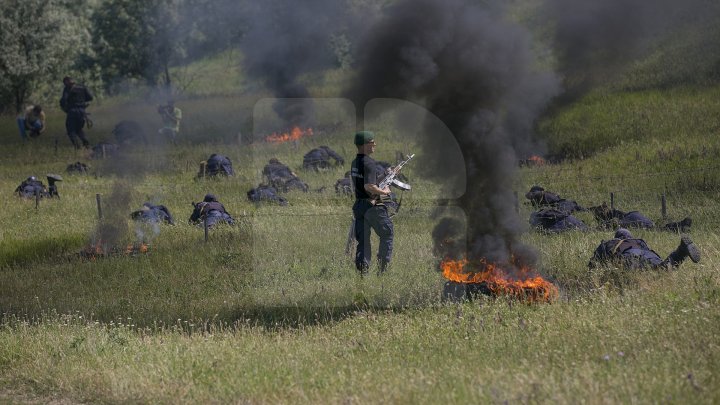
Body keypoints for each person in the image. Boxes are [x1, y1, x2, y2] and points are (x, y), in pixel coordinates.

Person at [350, 131, 394, 275]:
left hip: (360, 207)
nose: (374, 144)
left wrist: (386, 175)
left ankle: (363, 273)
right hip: (372, 207)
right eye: (372, 142)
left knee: (363, 241)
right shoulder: (369, 163)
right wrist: (385, 192)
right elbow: (369, 186)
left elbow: (368, 182)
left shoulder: (355, 162)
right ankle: (382, 271)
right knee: (387, 234)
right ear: (364, 145)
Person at [589, 228, 700, 270]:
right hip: (648, 254)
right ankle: (681, 251)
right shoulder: (639, 241)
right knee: (663, 267)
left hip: (628, 256)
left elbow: (593, 263)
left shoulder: (610, 243)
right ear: (630, 237)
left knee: (640, 273)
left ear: (617, 237)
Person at [60, 76, 93, 149]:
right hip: (82, 111)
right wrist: (82, 102)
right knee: (79, 129)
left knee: (70, 130)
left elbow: (63, 100)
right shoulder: (82, 87)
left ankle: (77, 147)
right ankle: (86, 143)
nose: (64, 84)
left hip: (72, 111)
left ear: (66, 82)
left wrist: (65, 106)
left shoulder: (67, 88)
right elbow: (90, 97)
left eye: (64, 83)